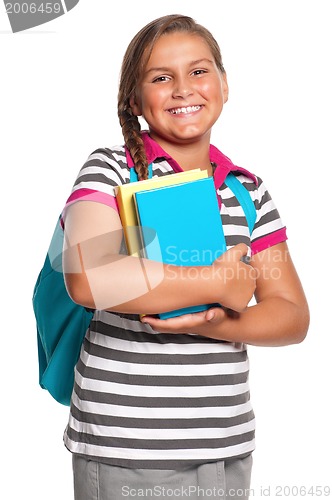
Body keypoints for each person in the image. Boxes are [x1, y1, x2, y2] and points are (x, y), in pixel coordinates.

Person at [61, 14, 310, 500]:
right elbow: (90, 278)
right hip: (125, 443)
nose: (182, 89)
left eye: (198, 71)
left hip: (225, 443)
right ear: (134, 100)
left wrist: (209, 321)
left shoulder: (248, 191)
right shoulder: (112, 169)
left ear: (223, 83)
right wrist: (216, 284)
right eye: (160, 78)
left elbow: (291, 315)